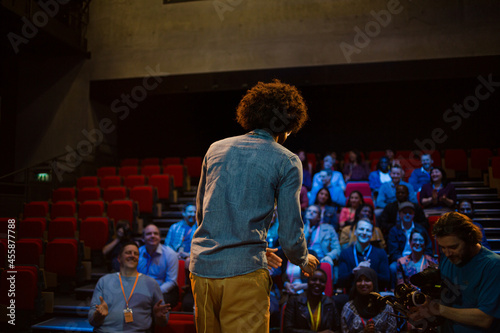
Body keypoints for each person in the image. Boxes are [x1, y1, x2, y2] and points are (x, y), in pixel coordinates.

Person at [190, 79, 319, 333]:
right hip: (245, 275)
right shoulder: (287, 160)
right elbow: (291, 233)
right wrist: (303, 259)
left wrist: (259, 248)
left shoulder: (215, 149)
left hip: (202, 271)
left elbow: (201, 215)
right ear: (288, 124)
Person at [409, 212, 500, 332]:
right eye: (443, 247)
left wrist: (438, 309)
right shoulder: (449, 258)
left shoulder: (492, 265)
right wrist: (425, 310)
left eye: (453, 247)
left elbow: (484, 319)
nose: (447, 253)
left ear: (470, 239)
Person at [89, 242, 170, 332]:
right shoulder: (104, 281)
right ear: (119, 258)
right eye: (128, 252)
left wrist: (158, 317)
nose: (132, 255)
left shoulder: (151, 284)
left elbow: (163, 322)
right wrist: (98, 315)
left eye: (136, 254)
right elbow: (91, 320)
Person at [387, 202, 434, 288]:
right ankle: (395, 291)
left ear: (414, 214)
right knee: (393, 267)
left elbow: (428, 248)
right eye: (405, 212)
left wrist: (422, 259)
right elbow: (393, 252)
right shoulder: (394, 230)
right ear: (399, 214)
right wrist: (404, 261)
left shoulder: (420, 228)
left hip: (420, 257)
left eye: (410, 212)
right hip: (401, 259)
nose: (407, 215)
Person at [337, 219, 390, 290]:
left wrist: (369, 272)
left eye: (368, 230)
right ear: (355, 232)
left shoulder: (381, 253)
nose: (364, 233)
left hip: (374, 294)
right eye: (361, 229)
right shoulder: (345, 253)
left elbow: (386, 281)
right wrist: (353, 272)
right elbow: (341, 281)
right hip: (352, 295)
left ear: (372, 234)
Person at [340, 267, 397, 333]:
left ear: (374, 282)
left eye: (367, 280)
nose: (363, 283)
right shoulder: (349, 308)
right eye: (359, 280)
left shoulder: (386, 308)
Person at [283, 268, 341, 333]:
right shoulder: (294, 301)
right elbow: (287, 330)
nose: (318, 283)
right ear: (308, 282)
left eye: (322, 281)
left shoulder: (330, 302)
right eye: (314, 280)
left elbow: (337, 329)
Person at [138, 224, 179, 308]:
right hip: (141, 290)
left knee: (155, 302)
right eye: (149, 234)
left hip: (163, 291)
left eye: (155, 233)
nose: (153, 236)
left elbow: (171, 281)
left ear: (160, 238)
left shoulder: (170, 254)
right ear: (143, 238)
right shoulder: (137, 253)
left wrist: (154, 293)